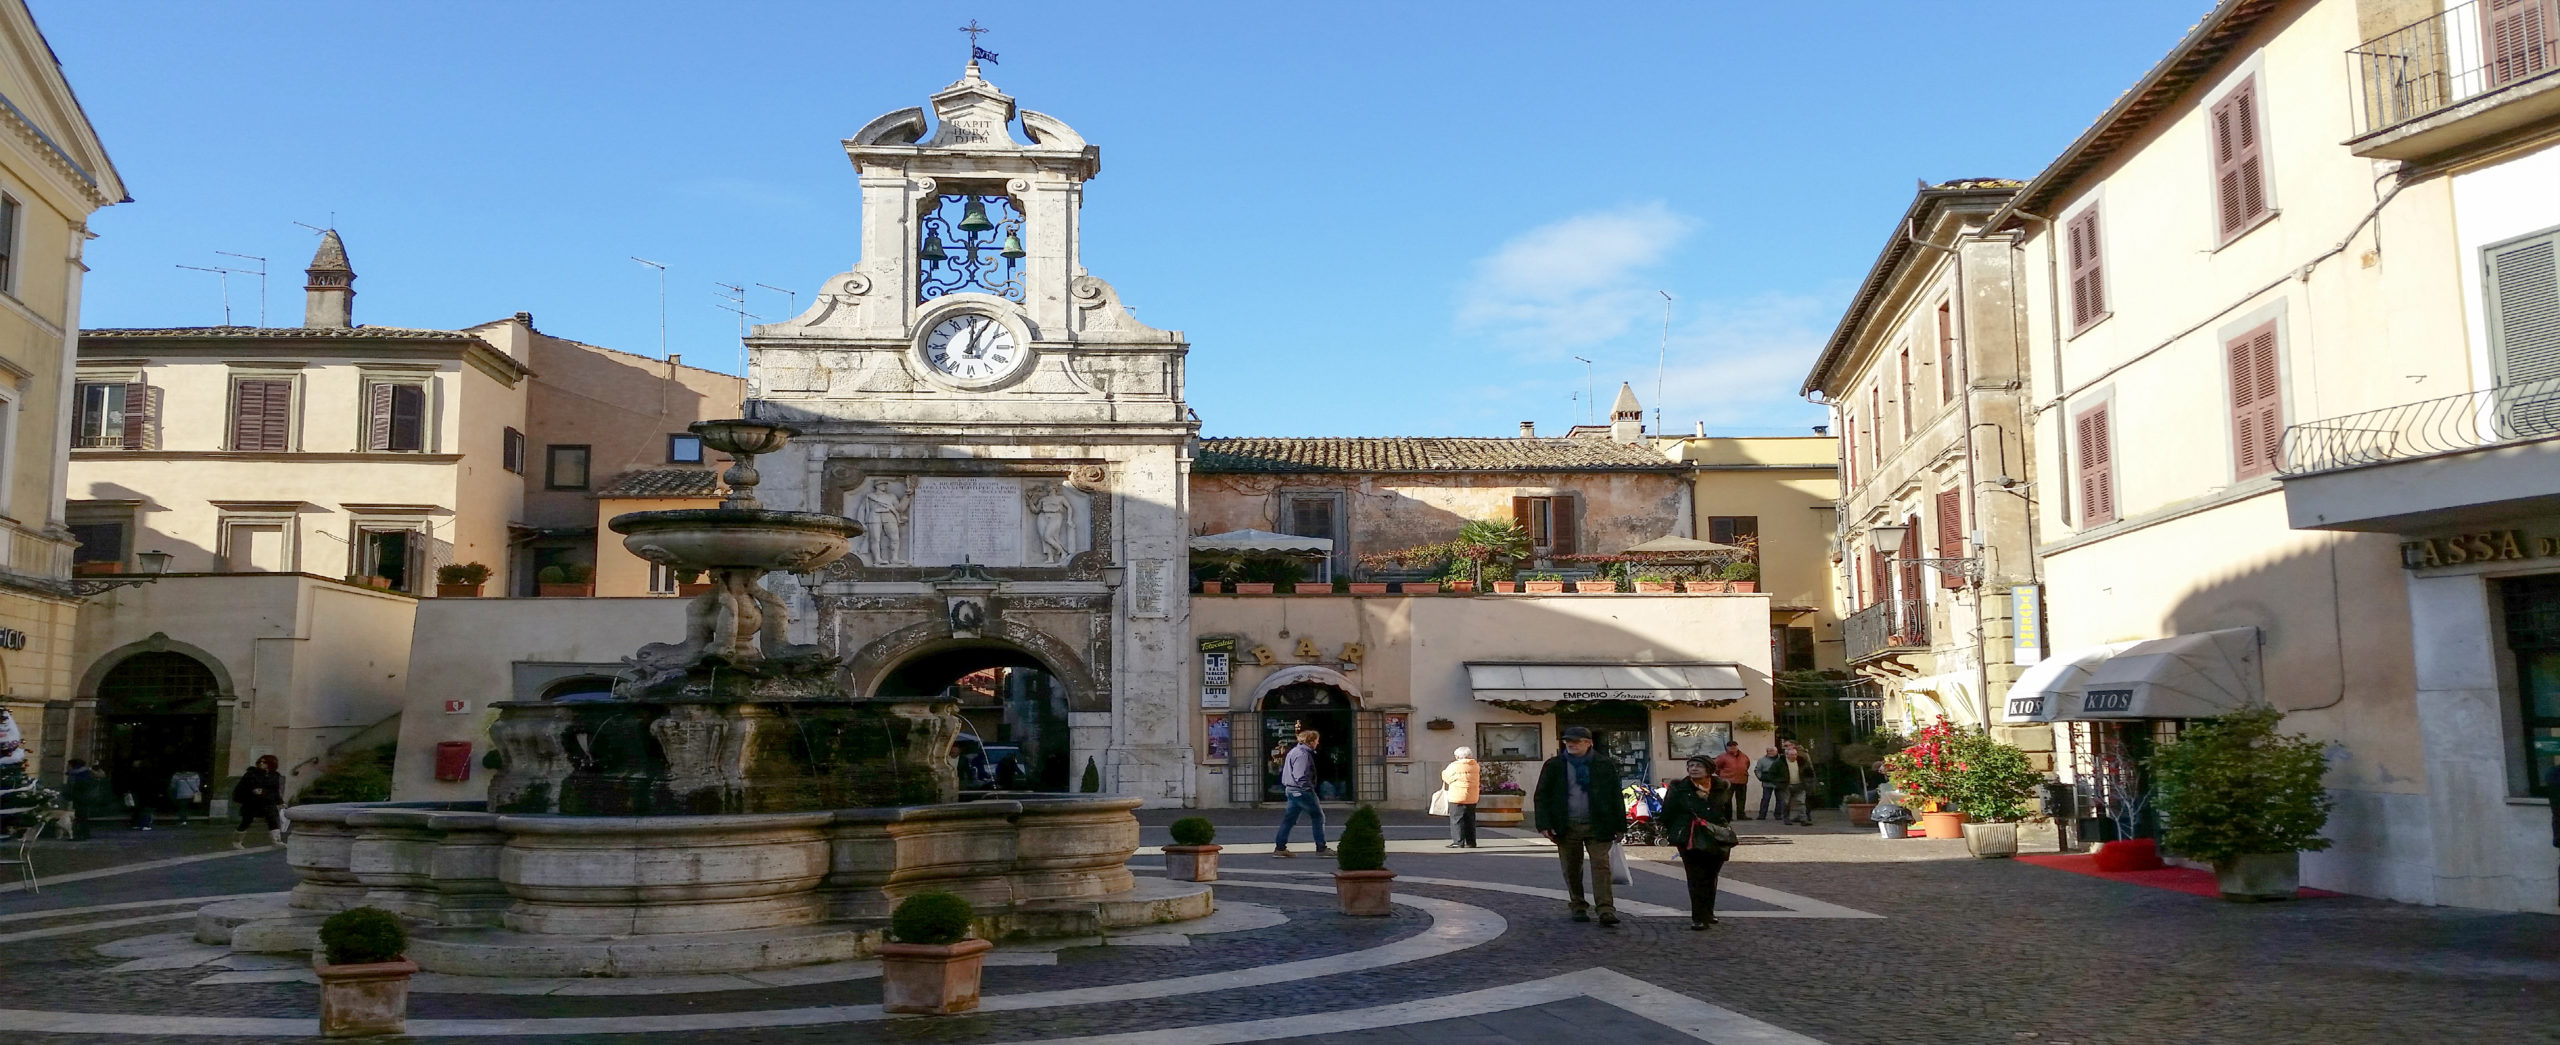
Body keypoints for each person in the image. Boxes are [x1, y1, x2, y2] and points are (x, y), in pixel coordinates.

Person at [1533, 726, 1626, 927]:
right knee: (1571, 868)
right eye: (1567, 741)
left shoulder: (1603, 764)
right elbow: (1542, 795)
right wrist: (1544, 824)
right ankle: (1578, 904)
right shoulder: (1555, 765)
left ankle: (1605, 909)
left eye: (1576, 741)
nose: (1571, 744)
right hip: (1566, 825)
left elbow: (1615, 796)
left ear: (1588, 742)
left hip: (1599, 823)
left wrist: (1620, 825)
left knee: (1601, 866)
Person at [1660, 755, 1738, 930]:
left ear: (1709, 769)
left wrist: (1720, 827)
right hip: (1690, 836)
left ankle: (1708, 913)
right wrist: (1678, 829)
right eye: (1691, 766)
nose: (1694, 769)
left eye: (1698, 766)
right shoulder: (1679, 787)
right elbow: (1667, 813)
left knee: (1711, 876)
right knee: (1696, 877)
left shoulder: (1722, 786)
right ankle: (1698, 917)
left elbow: (1727, 813)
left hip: (1715, 836)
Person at [1271, 730, 1329, 857]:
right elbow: (1300, 775)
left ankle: (1280, 848)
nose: (1317, 743)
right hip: (1301, 790)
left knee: (1289, 819)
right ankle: (1321, 848)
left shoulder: (1294, 751)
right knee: (1318, 817)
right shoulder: (1302, 754)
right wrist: (1308, 789)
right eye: (1316, 741)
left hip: (1291, 790)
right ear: (1311, 741)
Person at [232, 755, 284, 849]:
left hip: (268, 802)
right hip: (252, 802)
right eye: (260, 761)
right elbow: (241, 788)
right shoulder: (251, 774)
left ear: (270, 764)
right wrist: (252, 791)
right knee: (246, 821)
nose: (261, 763)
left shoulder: (274, 775)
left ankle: (277, 841)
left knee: (273, 820)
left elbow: (276, 790)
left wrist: (280, 802)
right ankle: (237, 841)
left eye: (264, 762)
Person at [1441, 746, 1481, 848]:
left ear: (1458, 756)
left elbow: (1446, 777)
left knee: (1457, 819)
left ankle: (1458, 842)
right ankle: (1471, 842)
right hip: (1472, 796)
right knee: (1470, 820)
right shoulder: (1475, 765)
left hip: (1457, 796)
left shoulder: (1454, 766)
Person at [1711, 740, 1753, 823]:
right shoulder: (1722, 757)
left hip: (1742, 780)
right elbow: (1715, 767)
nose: (1733, 748)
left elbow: (1747, 765)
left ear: (1737, 747)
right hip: (1728, 781)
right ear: (1727, 748)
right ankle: (1727, 816)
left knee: (1741, 799)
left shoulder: (1744, 756)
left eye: (1734, 746)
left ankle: (1741, 815)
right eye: (1730, 747)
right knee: (1727, 800)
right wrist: (1722, 774)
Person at [1778, 741, 1816, 826]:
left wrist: (1808, 782)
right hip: (1786, 785)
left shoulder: (1802, 760)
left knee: (1801, 802)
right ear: (1787, 755)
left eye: (1795, 755)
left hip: (1800, 784)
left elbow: (1809, 771)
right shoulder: (1781, 761)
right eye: (1791, 755)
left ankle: (1803, 819)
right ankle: (1786, 819)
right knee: (1786, 802)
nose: (1793, 756)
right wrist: (1779, 783)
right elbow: (1773, 773)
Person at [1753, 746, 1786, 820]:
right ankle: (1762, 815)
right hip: (1767, 782)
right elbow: (1757, 770)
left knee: (1780, 799)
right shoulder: (1762, 760)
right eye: (1769, 751)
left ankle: (1778, 815)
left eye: (1772, 751)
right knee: (1765, 799)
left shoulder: (1782, 759)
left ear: (1777, 751)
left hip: (1779, 782)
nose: (1771, 752)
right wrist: (1761, 777)